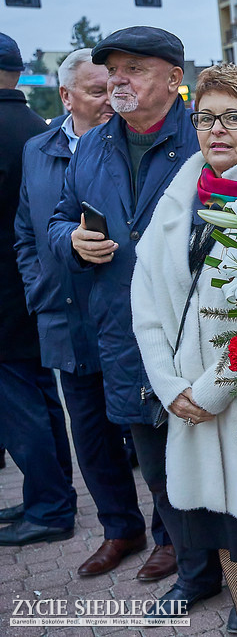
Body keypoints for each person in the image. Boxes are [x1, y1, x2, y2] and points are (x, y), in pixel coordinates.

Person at [48, 26, 223, 616]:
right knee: (158, 468)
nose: (118, 80)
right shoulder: (94, 146)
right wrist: (70, 240)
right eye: (113, 70)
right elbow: (56, 217)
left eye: (134, 69)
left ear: (175, 79)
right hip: (124, 335)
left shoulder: (209, 138)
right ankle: (195, 573)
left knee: (217, 461)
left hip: (196, 333)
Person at [132, 63, 237, 637]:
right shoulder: (177, 198)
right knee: (226, 534)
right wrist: (171, 385)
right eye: (206, 118)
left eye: (234, 117)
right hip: (186, 402)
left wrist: (209, 390)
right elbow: (146, 299)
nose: (217, 130)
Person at [14, 48, 154, 577]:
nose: (109, 100)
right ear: (66, 97)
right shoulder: (38, 149)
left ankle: (169, 537)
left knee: (145, 432)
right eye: (97, 91)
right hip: (65, 316)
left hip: (124, 316)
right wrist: (40, 287)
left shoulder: (127, 144)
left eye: (113, 88)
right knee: (92, 437)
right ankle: (120, 529)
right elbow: (28, 229)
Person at [0, 33, 77, 547]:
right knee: (42, 395)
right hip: (35, 286)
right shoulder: (36, 130)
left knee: (16, 402)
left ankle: (49, 506)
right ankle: (50, 496)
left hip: (7, 291)